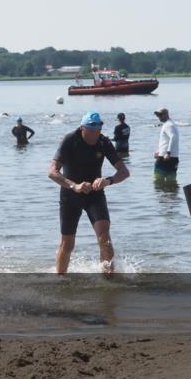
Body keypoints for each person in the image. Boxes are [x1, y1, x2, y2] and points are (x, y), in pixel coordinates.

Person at [48, 111, 130, 274]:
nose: (95, 135)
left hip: (95, 194)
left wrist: (107, 181)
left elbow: (124, 172)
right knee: (68, 244)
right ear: (82, 128)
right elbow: (52, 172)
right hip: (70, 195)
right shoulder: (70, 140)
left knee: (104, 238)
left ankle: (108, 281)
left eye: (98, 131)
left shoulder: (103, 142)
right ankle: (60, 278)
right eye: (91, 131)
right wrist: (74, 186)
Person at [153, 108, 180, 176]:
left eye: (160, 115)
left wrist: (168, 153)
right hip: (173, 158)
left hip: (164, 158)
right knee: (172, 181)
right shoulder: (171, 124)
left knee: (157, 181)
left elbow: (173, 137)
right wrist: (159, 151)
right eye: (157, 115)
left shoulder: (168, 125)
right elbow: (168, 140)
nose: (159, 117)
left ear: (166, 114)